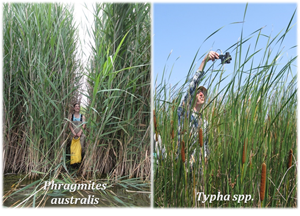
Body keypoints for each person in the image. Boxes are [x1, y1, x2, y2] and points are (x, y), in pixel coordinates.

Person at [177, 51, 219, 166]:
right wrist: (204, 61)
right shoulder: (185, 114)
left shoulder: (204, 122)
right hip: (184, 168)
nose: (202, 94)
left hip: (199, 170)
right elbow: (192, 85)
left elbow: (204, 146)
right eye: (199, 92)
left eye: (204, 93)